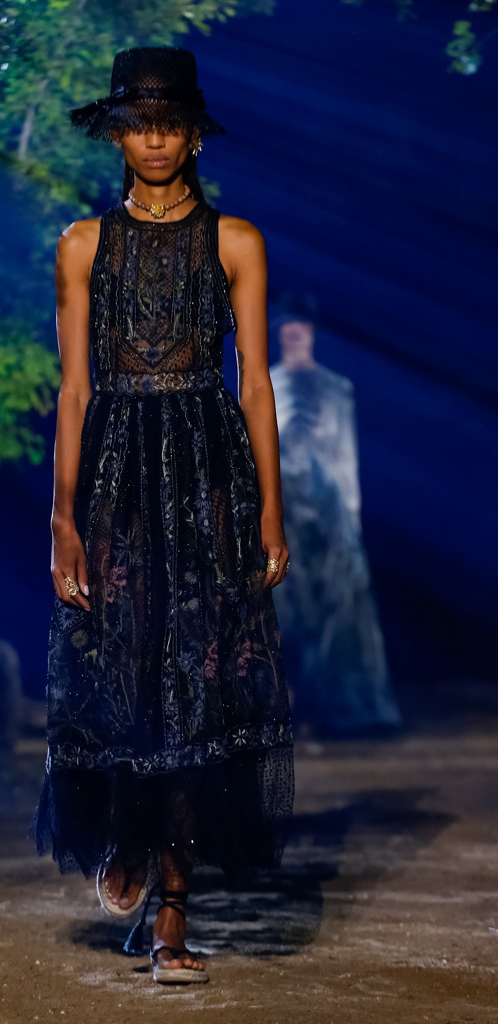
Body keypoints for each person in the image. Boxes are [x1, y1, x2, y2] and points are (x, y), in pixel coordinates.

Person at [31, 47, 294, 986]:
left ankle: (173, 913)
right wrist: (62, 520)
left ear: (193, 136)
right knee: (117, 669)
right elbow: (72, 390)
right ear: (116, 134)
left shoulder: (236, 242)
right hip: (114, 475)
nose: (154, 140)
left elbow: (253, 385)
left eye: (169, 124)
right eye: (139, 124)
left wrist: (270, 510)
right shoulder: (80, 246)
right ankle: (124, 833)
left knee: (199, 682)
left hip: (207, 473)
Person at [269, 292, 402, 739]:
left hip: (329, 515)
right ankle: (286, 709)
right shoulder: (266, 386)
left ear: (311, 333)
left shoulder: (336, 389)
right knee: (286, 609)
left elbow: (346, 456)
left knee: (337, 610)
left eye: (300, 327)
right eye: (287, 326)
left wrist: (351, 516)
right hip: (285, 511)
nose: (294, 333)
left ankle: (339, 708)